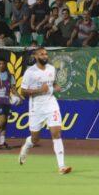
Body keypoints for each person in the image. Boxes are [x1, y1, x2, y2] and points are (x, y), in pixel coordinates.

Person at [18, 47, 71, 175]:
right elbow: (23, 91)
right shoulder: (30, 72)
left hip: (51, 104)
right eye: (42, 54)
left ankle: (61, 166)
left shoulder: (52, 69)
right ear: (36, 56)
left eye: (46, 54)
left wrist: (57, 87)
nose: (45, 56)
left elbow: (53, 85)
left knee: (56, 133)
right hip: (36, 106)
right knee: (36, 138)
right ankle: (27, 145)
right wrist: (39, 90)